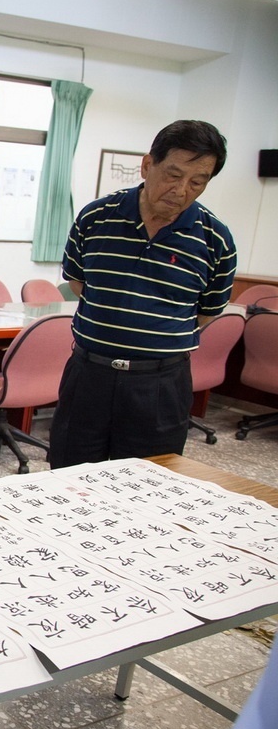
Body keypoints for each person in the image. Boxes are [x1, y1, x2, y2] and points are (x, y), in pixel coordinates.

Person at [49, 120, 237, 468]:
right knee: (68, 475)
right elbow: (78, 282)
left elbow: (207, 311)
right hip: (90, 375)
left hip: (160, 385)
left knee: (149, 483)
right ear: (148, 165)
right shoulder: (95, 218)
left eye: (197, 182)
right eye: (172, 174)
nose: (181, 190)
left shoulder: (215, 239)